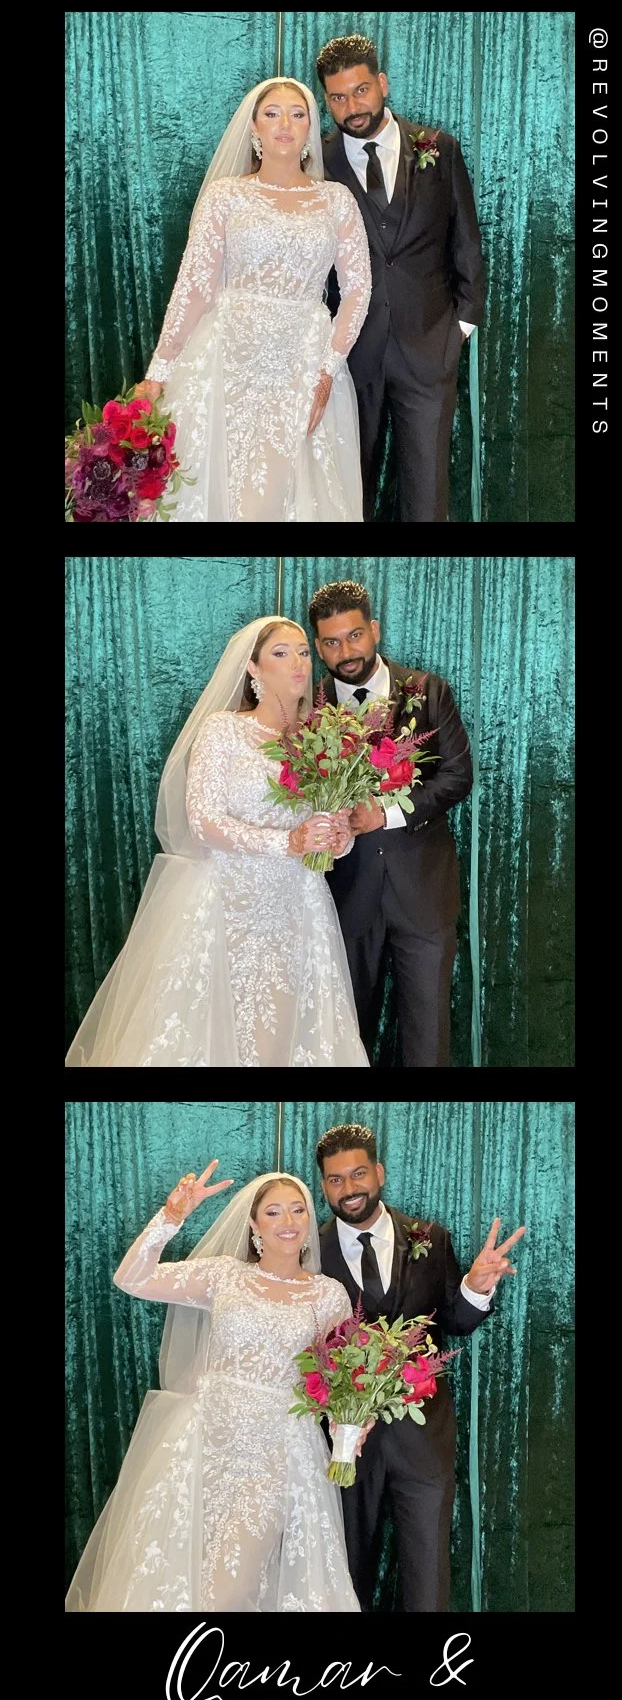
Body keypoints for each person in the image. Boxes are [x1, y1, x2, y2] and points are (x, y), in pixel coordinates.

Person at [65, 615, 368, 1067]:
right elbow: (203, 821)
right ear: (252, 668)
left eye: (304, 652)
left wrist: (340, 836)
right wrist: (288, 842)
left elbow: (326, 830)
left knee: (286, 1037)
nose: (298, 663)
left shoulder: (321, 739)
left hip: (299, 908)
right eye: (281, 654)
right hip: (230, 908)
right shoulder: (223, 731)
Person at [65, 1164, 364, 1612]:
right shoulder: (225, 1276)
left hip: (275, 1455)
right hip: (202, 1446)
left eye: (298, 1210)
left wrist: (353, 1426)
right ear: (253, 1224)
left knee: (228, 1591)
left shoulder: (328, 1295)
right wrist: (171, 1216)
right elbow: (132, 1278)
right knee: (175, 1580)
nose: (288, 1222)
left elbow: (345, 1380)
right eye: (274, 1212)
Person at [133, 78, 371, 520]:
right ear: (254, 128)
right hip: (227, 360)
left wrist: (326, 370)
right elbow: (195, 286)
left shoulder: (337, 202)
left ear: (310, 129)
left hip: (303, 364)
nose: (285, 123)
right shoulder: (226, 196)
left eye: (298, 114)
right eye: (272, 113)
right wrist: (159, 371)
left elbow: (358, 290)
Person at [317, 1124, 525, 1612]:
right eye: (335, 1180)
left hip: (424, 1437)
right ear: (324, 1185)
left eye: (359, 1174)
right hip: (343, 1443)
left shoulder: (429, 1237)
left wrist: (475, 1285)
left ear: (380, 1173)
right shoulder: (309, 1249)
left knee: (428, 1580)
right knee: (342, 1575)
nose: (349, 1189)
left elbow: (454, 1321)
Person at [317, 34, 485, 522]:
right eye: (338, 97)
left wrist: (461, 328)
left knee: (428, 498)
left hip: (429, 346)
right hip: (347, 356)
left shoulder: (438, 148)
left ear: (383, 83)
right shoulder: (318, 163)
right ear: (326, 99)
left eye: (362, 90)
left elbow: (466, 243)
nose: (352, 106)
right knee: (347, 496)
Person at [309, 580, 472, 1067]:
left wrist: (385, 813)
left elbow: (457, 776)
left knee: (427, 1042)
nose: (346, 652)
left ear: (374, 629)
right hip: (343, 898)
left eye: (354, 636)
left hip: (422, 892)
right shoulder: (309, 707)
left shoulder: (427, 690)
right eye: (332, 642)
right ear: (318, 646)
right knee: (340, 1041)